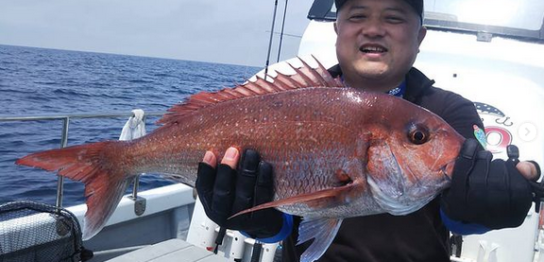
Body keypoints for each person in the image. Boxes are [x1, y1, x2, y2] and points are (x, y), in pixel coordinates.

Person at [195, 0, 542, 261]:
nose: (374, 29)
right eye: (358, 15)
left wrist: (484, 205)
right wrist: (264, 223)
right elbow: (283, 228)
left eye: (393, 17)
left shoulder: (450, 113)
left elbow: (456, 214)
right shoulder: (286, 98)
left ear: (419, 36)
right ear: (338, 29)